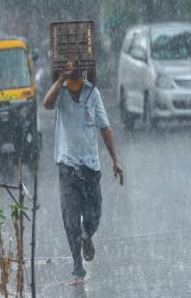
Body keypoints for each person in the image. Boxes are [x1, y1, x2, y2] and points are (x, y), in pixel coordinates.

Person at [43, 61, 124, 284]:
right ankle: (78, 267)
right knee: (70, 220)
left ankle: (87, 235)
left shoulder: (93, 94)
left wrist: (115, 160)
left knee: (94, 214)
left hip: (90, 167)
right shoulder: (60, 92)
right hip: (67, 167)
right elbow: (47, 104)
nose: (73, 70)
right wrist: (60, 79)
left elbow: (105, 128)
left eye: (75, 66)